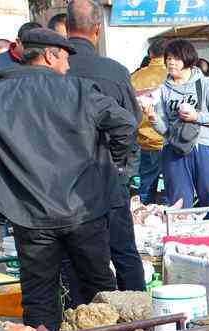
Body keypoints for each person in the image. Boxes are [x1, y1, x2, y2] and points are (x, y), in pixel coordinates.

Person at [0, 28, 135, 331]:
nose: (68, 66)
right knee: (99, 287)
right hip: (83, 207)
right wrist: (112, 164)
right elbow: (125, 124)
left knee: (39, 296)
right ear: (50, 55)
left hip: (28, 209)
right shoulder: (79, 90)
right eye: (65, 59)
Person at [65, 0, 144, 295]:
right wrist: (119, 162)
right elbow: (130, 122)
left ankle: (82, 325)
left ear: (66, 29)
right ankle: (139, 322)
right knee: (123, 251)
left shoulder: (54, 72)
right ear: (98, 29)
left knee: (73, 257)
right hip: (108, 174)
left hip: (64, 181)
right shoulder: (113, 70)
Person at [145, 39, 209, 218]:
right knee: (179, 207)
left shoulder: (205, 84)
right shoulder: (162, 90)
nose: (170, 62)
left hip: (203, 147)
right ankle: (183, 244)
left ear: (188, 59)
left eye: (175, 58)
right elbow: (165, 130)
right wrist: (153, 118)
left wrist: (197, 117)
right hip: (174, 149)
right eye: (168, 58)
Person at [131, 38, 168, 206]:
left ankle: (143, 224)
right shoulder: (176, 75)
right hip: (171, 141)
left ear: (151, 54)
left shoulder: (135, 77)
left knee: (145, 189)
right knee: (172, 191)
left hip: (145, 142)